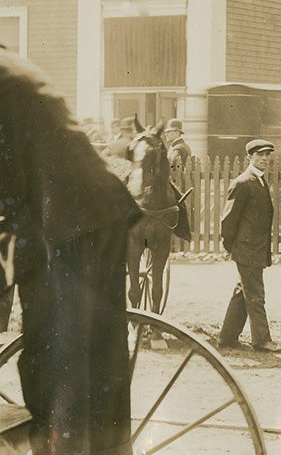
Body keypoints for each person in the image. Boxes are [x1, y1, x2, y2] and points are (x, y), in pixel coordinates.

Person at [0, 49, 142, 455]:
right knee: (100, 367)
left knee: (56, 370)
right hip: (96, 213)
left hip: (60, 223)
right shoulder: (12, 64)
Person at [218, 139, 281, 351]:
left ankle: (227, 338)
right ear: (250, 157)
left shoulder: (259, 181)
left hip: (255, 248)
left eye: (267, 155)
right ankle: (262, 340)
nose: (265, 158)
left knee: (242, 291)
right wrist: (231, 246)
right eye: (260, 155)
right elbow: (228, 219)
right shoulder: (243, 182)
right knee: (255, 294)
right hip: (247, 248)